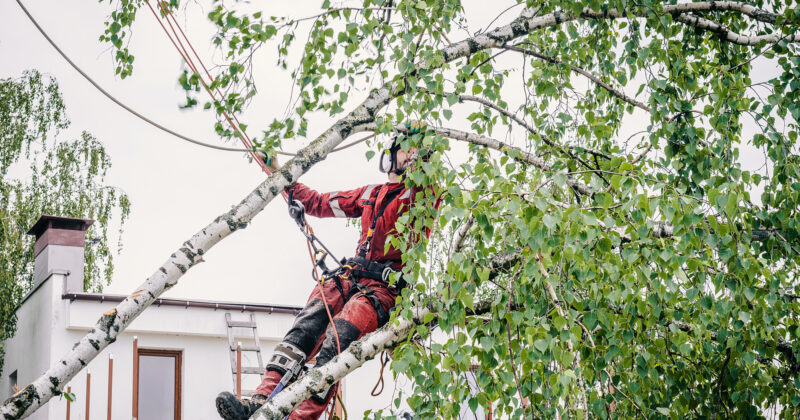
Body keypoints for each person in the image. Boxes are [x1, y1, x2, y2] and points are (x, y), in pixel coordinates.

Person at [216, 121, 436, 420]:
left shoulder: (422, 195)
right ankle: (260, 402)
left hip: (382, 291)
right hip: (350, 278)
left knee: (337, 341)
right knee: (303, 330)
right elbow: (319, 203)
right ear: (394, 153)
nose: (413, 154)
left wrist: (423, 144)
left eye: (418, 149)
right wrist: (277, 172)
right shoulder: (371, 193)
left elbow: (433, 184)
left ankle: (299, 417)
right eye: (409, 148)